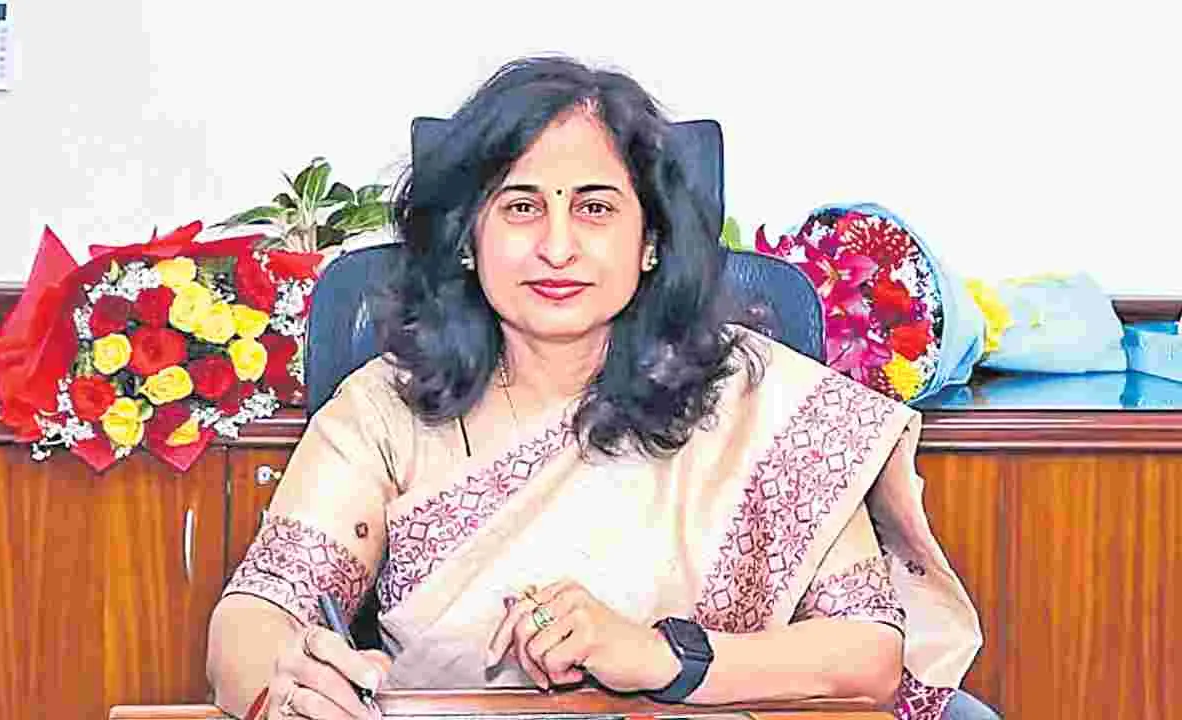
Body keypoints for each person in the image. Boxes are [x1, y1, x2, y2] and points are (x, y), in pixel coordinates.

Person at [206, 55, 997, 720]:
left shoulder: (759, 398)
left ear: (649, 242)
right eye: (521, 207)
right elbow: (255, 613)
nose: (557, 247)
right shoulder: (387, 408)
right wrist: (283, 687)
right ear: (468, 240)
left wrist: (660, 656)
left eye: (594, 208)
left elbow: (868, 654)